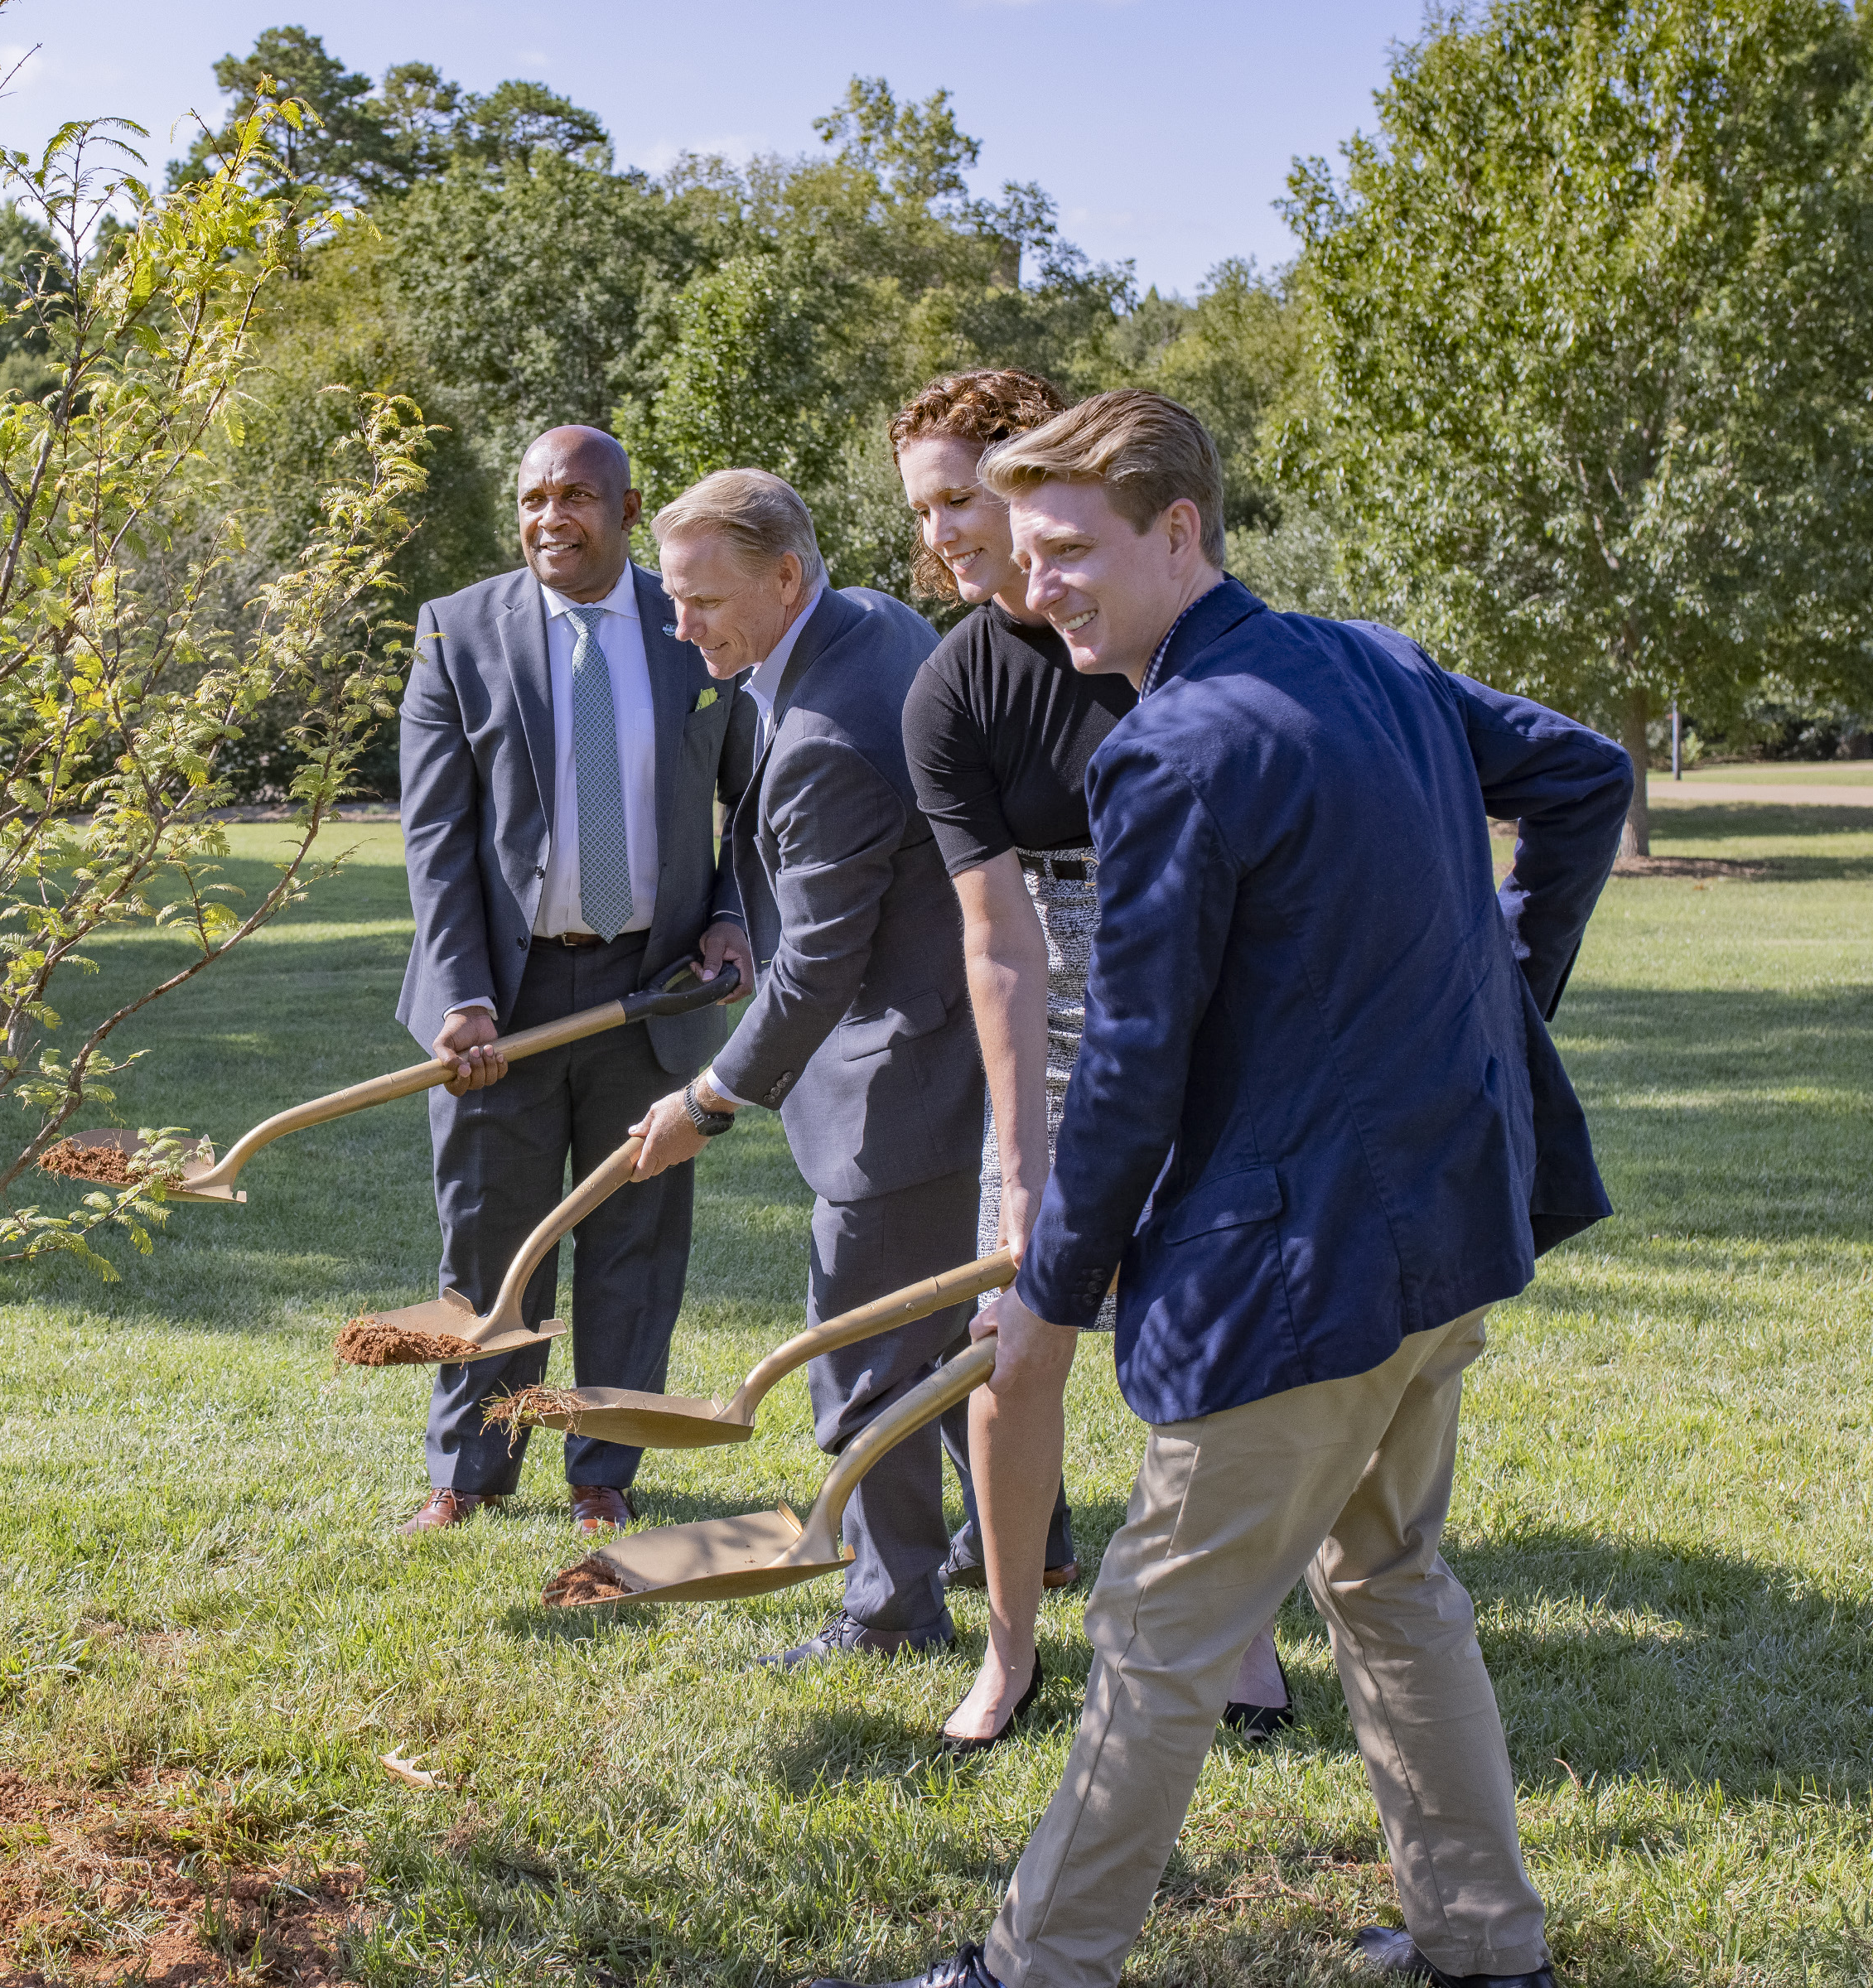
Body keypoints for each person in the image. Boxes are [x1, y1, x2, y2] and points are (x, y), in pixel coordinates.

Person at [818, 392, 1628, 1988]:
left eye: (1072, 549)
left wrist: (1048, 1303)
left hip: (1309, 1277)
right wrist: (1497, 1009)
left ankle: (1036, 1968)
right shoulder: (1375, 657)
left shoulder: (1174, 747)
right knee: (1393, 1583)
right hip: (1443, 1230)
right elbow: (1586, 776)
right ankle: (1485, 1943)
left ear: (1178, 531)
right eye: (1027, 550)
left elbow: (1126, 1067)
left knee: (1158, 1632)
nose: (1042, 584)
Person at [892, 370, 1291, 1751]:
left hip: (1213, 1028)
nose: (945, 532)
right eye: (927, 509)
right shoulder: (954, 689)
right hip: (1057, 1038)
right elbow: (996, 941)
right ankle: (1011, 1647)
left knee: (1212, 1346)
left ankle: (1240, 1635)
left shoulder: (1169, 642)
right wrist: (1025, 1160)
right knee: (1015, 1351)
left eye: (961, 498)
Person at [625, 470, 987, 1668]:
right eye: (673, 603)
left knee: (867, 1359)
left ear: (787, 578)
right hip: (943, 1043)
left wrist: (708, 1099)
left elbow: (819, 967)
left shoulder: (829, 733)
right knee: (941, 1343)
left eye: (703, 603)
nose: (683, 631)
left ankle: (892, 1617)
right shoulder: (870, 618)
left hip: (908, 1081)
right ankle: (1013, 1540)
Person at [395, 423, 760, 1536]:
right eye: (534, 499)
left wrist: (736, 920)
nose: (553, 518)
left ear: (628, 507)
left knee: (634, 1241)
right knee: (488, 1236)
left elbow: (754, 800)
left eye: (579, 498)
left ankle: (605, 1469)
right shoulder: (458, 633)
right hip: (496, 1006)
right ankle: (469, 1473)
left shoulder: (692, 626)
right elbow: (435, 834)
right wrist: (461, 993)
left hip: (650, 998)